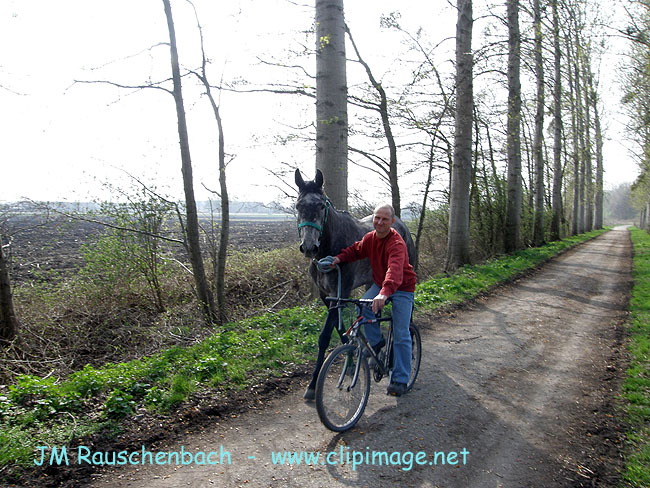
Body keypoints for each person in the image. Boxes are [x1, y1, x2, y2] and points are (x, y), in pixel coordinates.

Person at [330, 204, 417, 397]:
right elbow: (356, 250)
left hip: (402, 287)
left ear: (392, 222)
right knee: (363, 306)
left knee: (401, 334)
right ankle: (377, 344)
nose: (379, 222)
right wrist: (339, 258)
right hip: (381, 285)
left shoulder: (396, 243)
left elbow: (394, 271)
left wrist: (384, 294)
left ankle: (400, 379)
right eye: (377, 218)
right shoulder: (370, 238)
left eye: (384, 219)